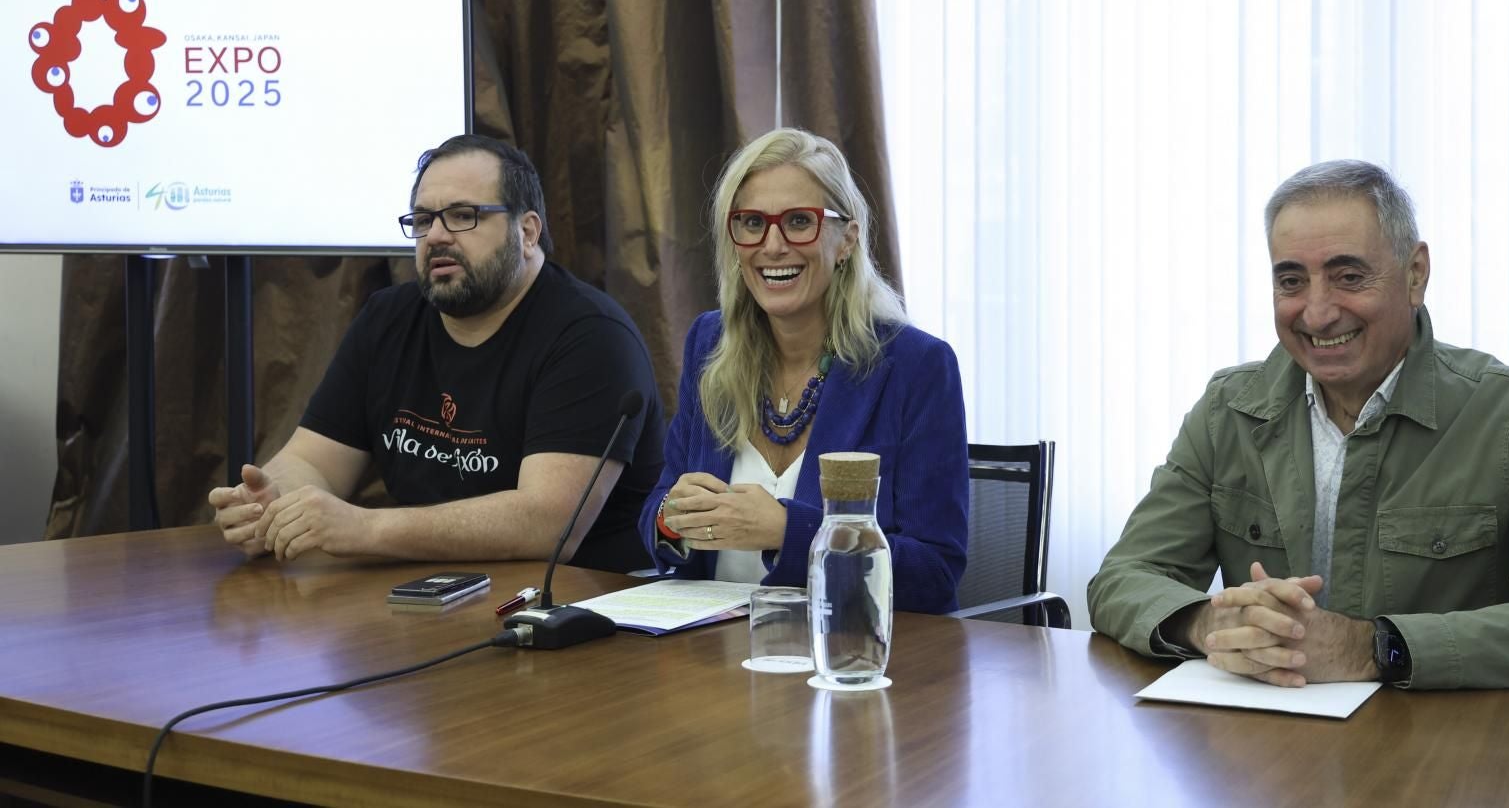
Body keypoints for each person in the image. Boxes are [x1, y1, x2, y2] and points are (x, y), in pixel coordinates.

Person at [1088, 159, 1509, 689]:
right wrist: (1211, 624)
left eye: (1348, 276)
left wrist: (1374, 648)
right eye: (1291, 280)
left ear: (1415, 274)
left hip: (1447, 750)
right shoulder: (1227, 411)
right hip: (1265, 745)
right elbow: (1121, 579)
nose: (1317, 312)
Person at [208, 134, 665, 572]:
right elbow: (311, 461)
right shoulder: (387, 318)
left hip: (584, 609)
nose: (436, 236)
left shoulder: (590, 337)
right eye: (423, 220)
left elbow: (547, 525)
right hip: (431, 590)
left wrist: (364, 528)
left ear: (527, 232)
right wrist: (270, 504)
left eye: (462, 215)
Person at [639, 128, 968, 613]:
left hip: (847, 657)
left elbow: (935, 574)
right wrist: (671, 519)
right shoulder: (710, 344)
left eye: (798, 221)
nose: (772, 246)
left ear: (846, 240)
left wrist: (786, 531)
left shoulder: (916, 367)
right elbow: (660, 504)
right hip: (708, 654)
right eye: (751, 223)